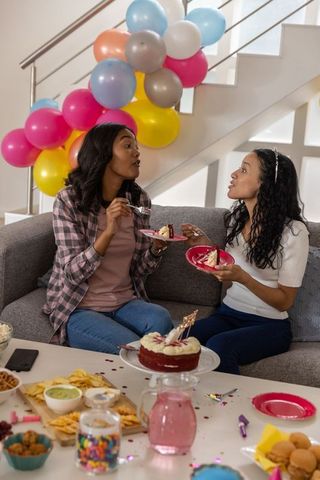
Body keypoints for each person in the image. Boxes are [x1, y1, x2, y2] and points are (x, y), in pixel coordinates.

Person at [44, 123, 172, 353]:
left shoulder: (139, 199)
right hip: (80, 306)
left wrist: (155, 249)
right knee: (134, 350)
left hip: (125, 301)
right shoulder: (69, 200)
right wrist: (109, 230)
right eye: (127, 145)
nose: (136, 152)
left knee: (161, 320)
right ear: (103, 154)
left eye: (136, 146)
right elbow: (72, 273)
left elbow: (138, 271)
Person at [182, 149, 309, 374]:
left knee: (220, 346)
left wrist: (243, 278)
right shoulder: (236, 221)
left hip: (269, 325)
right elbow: (229, 268)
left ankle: (228, 408)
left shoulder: (294, 232)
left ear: (265, 183)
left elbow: (284, 301)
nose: (233, 174)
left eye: (243, 170)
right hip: (228, 313)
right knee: (183, 338)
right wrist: (204, 245)